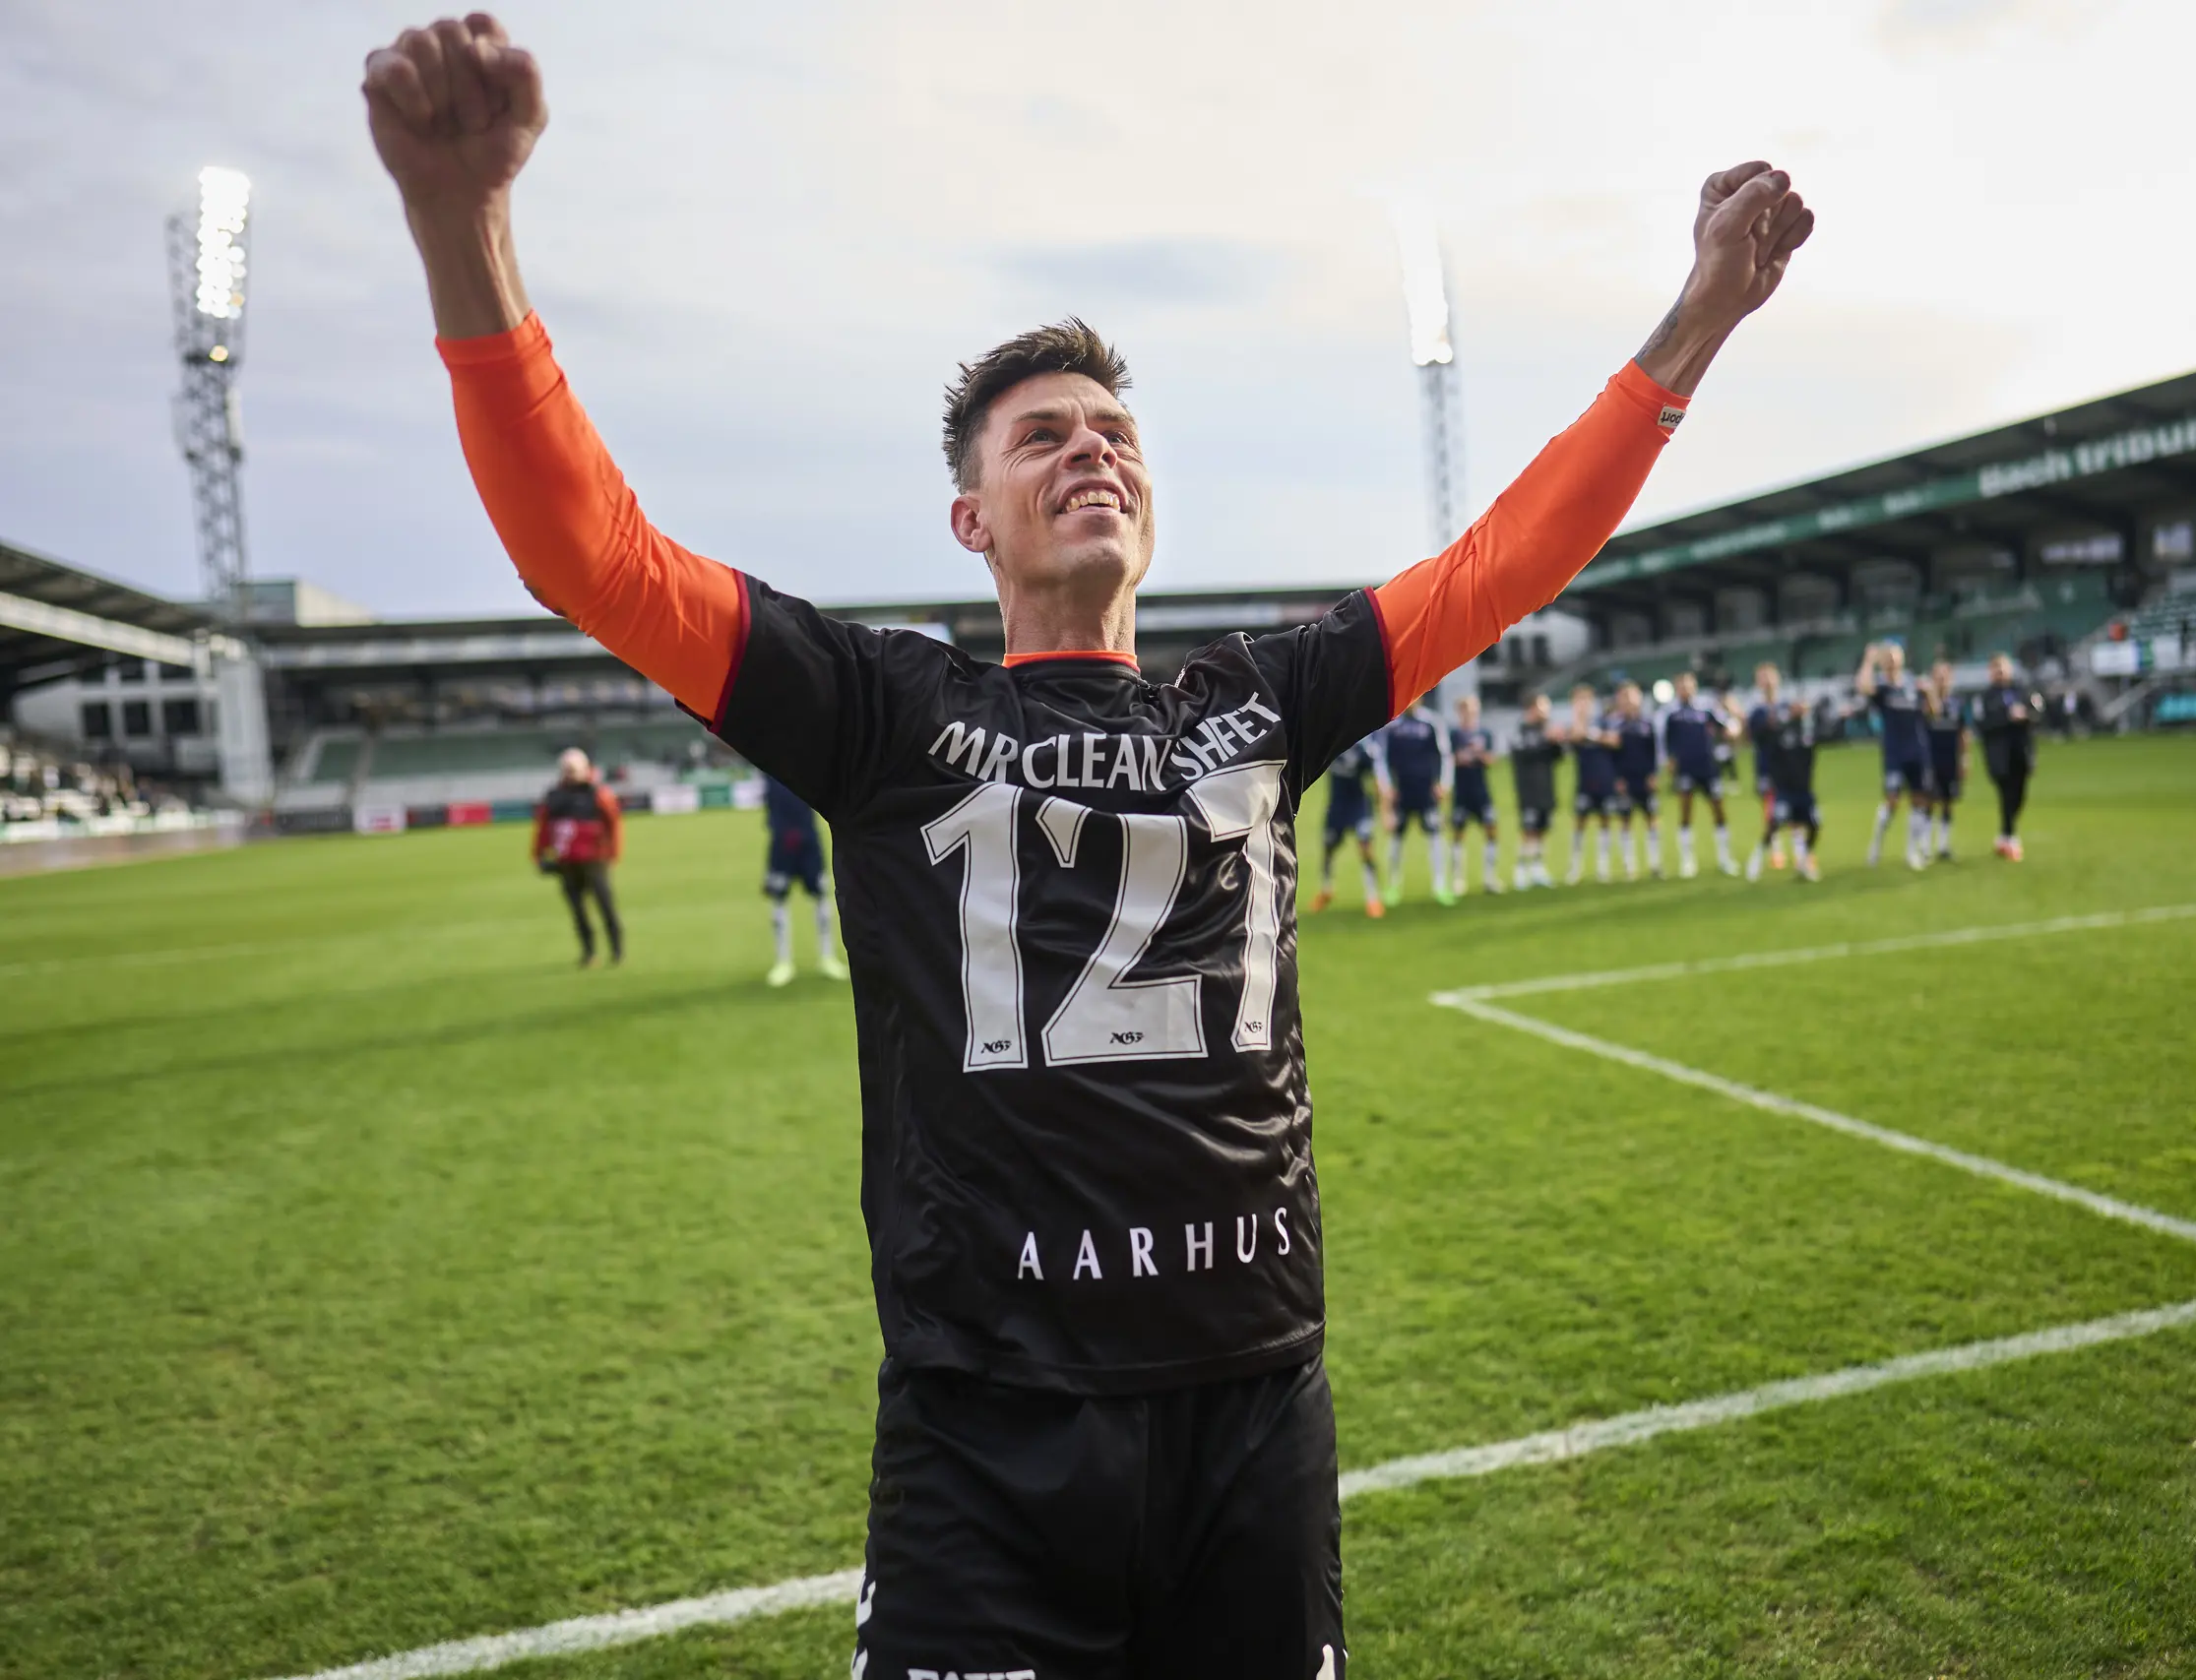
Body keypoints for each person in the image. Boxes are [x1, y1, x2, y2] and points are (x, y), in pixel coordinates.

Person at [362, 19, 1811, 1670]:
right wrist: (465, 225)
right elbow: (595, 555)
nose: (1092, 449)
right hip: (988, 1436)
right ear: (970, 519)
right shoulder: (885, 709)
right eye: (1042, 435)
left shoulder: (1259, 701)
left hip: (1253, 1408)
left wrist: (1698, 318)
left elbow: (1505, 560)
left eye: (1113, 431)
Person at [531, 746, 622, 965]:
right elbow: (543, 828)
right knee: (578, 911)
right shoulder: (554, 796)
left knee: (605, 907)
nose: (570, 774)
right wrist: (538, 855)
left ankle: (617, 952)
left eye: (573, 770)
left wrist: (613, 853)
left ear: (584, 769)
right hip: (567, 862)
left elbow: (613, 825)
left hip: (594, 860)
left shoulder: (599, 794)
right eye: (566, 770)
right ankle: (589, 953)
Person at [763, 773, 847, 985]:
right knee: (779, 898)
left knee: (821, 895)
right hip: (782, 842)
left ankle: (827, 957)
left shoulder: (805, 765)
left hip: (808, 841)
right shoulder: (770, 772)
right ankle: (783, 962)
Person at [1856, 641, 1933, 869]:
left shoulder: (1913, 686)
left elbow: (1933, 712)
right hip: (1895, 753)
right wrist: (1868, 661)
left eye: (1894, 656)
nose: (1891, 661)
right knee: (1892, 801)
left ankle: (1911, 851)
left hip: (1918, 751)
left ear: (1902, 659)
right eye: (1887, 657)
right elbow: (1863, 688)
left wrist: (1930, 693)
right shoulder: (1882, 689)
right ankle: (1876, 844)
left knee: (1919, 801)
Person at [1658, 670, 1737, 878]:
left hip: (1708, 766)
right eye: (1681, 685)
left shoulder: (1706, 707)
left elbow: (1725, 726)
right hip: (1685, 768)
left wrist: (1731, 729)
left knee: (1718, 809)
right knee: (1685, 811)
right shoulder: (1671, 713)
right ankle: (1688, 860)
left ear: (1694, 686)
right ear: (1676, 688)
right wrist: (1668, 761)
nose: (1685, 689)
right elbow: (1664, 741)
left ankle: (1725, 857)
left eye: (1688, 685)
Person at [1380, 693, 1453, 905]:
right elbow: (1382, 759)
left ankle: (1440, 885)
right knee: (1396, 839)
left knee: (1435, 836)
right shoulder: (1392, 725)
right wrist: (1387, 787)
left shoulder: (1431, 723)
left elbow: (1444, 755)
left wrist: (1444, 783)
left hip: (1426, 792)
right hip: (1401, 793)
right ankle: (1393, 886)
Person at [1306, 732, 1388, 918]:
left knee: (1366, 848)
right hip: (1337, 806)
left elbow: (1377, 778)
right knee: (1329, 848)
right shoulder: (1330, 743)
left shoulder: (1364, 747)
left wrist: (1383, 810)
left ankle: (1373, 897)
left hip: (1359, 806)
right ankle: (1326, 889)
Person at [1973, 652, 2040, 861]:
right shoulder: (1985, 697)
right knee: (2006, 793)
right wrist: (2007, 717)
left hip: (2021, 750)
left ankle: (2004, 835)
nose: (2000, 672)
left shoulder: (2022, 690)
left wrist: (2027, 714)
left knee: (2019, 795)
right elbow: (1982, 725)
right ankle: (2010, 839)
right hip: (1999, 754)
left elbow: (2037, 711)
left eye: (2003, 667)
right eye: (1996, 668)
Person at [1746, 697, 1822, 882]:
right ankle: (1758, 856)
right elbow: (1760, 738)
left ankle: (1804, 860)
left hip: (1804, 789)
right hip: (1785, 789)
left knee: (1814, 826)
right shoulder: (1780, 730)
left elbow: (1826, 734)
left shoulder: (1808, 731)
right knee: (1775, 824)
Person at [1446, 693, 1504, 895]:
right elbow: (1448, 759)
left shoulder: (1485, 733)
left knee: (1491, 829)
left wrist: (1479, 755)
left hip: (1481, 790)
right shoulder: (1453, 734)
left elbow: (1492, 759)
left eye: (1473, 710)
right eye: (1466, 710)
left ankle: (1490, 877)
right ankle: (1458, 879)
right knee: (1458, 833)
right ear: (1459, 712)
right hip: (1462, 791)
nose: (1470, 714)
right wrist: (1459, 758)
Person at [1604, 680, 1662, 880]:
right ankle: (1630, 865)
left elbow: (1655, 751)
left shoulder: (1647, 723)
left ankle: (1655, 863)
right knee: (1625, 820)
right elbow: (1610, 757)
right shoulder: (1614, 725)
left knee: (1652, 819)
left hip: (1645, 779)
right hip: (1625, 781)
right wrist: (1616, 778)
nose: (1628, 700)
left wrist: (1654, 774)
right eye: (1624, 696)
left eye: (1631, 695)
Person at [1508, 691, 1564, 889]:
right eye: (1543, 706)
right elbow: (1522, 755)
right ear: (1532, 708)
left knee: (1542, 829)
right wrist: (1545, 741)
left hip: (1546, 787)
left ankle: (1538, 868)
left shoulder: (1545, 729)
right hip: (1528, 789)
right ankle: (1520, 869)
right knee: (1528, 830)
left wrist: (1556, 743)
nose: (1547, 710)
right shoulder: (1520, 731)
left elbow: (1558, 757)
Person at [1567, 683, 1620, 885]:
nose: (1582, 704)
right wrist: (1581, 723)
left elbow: (1614, 740)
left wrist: (1595, 735)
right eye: (1578, 700)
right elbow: (1574, 737)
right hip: (1584, 780)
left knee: (1605, 821)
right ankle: (1576, 866)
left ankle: (1602, 865)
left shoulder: (1603, 720)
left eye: (1585, 700)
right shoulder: (1575, 724)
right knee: (1580, 822)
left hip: (1604, 778)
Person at [1743, 661, 1788, 872]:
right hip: (1766, 767)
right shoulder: (1756, 712)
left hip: (1789, 767)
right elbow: (1750, 737)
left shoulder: (1786, 707)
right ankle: (1776, 850)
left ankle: (1802, 852)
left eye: (1770, 676)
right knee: (1771, 810)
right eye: (1763, 677)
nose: (1768, 681)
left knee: (1796, 808)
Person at [1923, 658, 1967, 863]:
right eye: (1937, 677)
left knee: (1948, 801)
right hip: (1930, 758)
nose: (1941, 681)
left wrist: (1965, 758)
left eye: (1944, 677)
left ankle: (1943, 845)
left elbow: (1963, 732)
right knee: (1929, 801)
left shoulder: (1958, 702)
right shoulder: (1925, 703)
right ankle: (1925, 845)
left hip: (1951, 758)